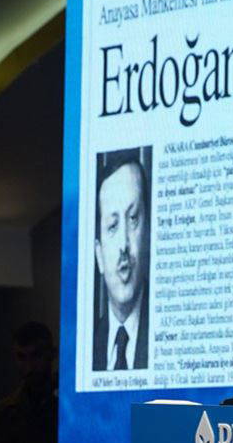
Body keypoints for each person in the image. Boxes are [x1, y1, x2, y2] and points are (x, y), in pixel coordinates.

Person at [93, 152, 150, 370]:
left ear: (148, 234)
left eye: (133, 218)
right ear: (99, 255)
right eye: (113, 226)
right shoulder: (90, 345)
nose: (123, 244)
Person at [0, 322, 58, 443]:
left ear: (52, 354)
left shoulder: (69, 403)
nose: (29, 367)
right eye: (21, 357)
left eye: (36, 356)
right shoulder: (3, 413)